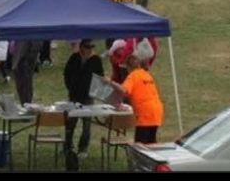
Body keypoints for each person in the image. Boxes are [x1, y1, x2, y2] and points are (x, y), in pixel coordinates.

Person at [61, 40, 106, 170]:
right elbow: (66, 73)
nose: (90, 49)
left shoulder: (96, 59)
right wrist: (70, 87)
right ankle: (68, 147)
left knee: (87, 124)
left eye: (92, 46)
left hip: (88, 97)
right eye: (87, 47)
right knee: (70, 123)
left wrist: (94, 91)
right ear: (81, 47)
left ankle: (83, 148)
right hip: (74, 96)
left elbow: (100, 76)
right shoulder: (74, 58)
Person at [109, 44, 164, 144]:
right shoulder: (146, 74)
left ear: (128, 67)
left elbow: (123, 90)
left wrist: (110, 82)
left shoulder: (133, 76)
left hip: (145, 114)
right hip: (156, 112)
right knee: (151, 143)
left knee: (140, 145)